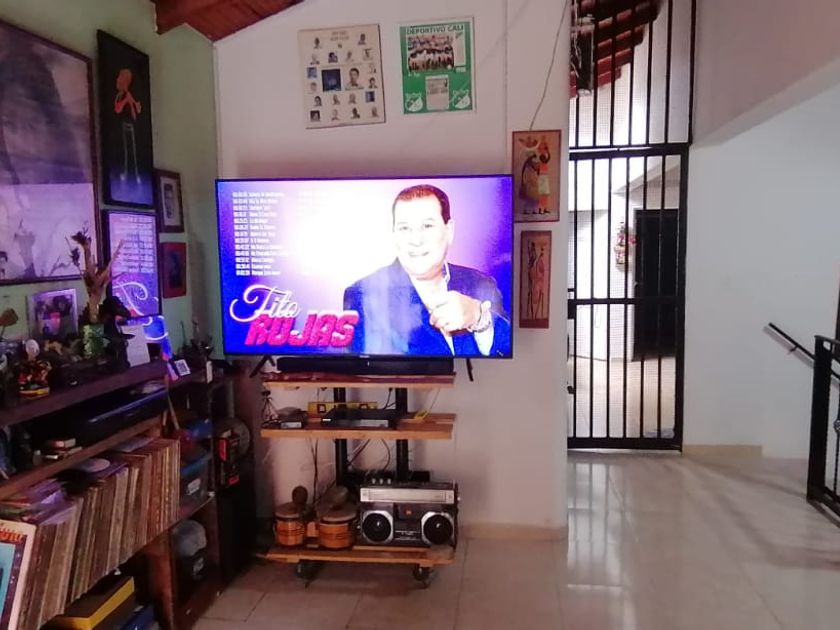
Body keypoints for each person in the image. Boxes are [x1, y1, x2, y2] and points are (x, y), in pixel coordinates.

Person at [343, 185, 511, 357]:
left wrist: (479, 318)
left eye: (427, 226)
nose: (416, 240)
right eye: (404, 228)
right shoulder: (363, 294)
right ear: (394, 234)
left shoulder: (482, 284)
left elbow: (506, 353)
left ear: (449, 231)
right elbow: (363, 367)